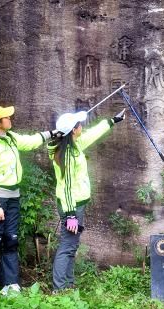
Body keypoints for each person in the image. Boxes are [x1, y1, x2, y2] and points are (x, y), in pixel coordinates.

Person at [0, 105, 60, 294]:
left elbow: (31, 141)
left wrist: (53, 133)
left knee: (11, 240)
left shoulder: (11, 138)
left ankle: (11, 285)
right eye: (6, 117)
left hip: (13, 197)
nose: (10, 118)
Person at [48, 110, 124, 292]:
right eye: (79, 124)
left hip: (75, 204)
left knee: (71, 245)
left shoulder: (73, 146)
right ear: (73, 130)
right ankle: (58, 289)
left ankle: (68, 284)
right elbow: (66, 187)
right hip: (72, 206)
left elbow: (92, 134)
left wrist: (112, 120)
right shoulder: (67, 154)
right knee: (67, 245)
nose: (82, 127)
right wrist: (71, 215)